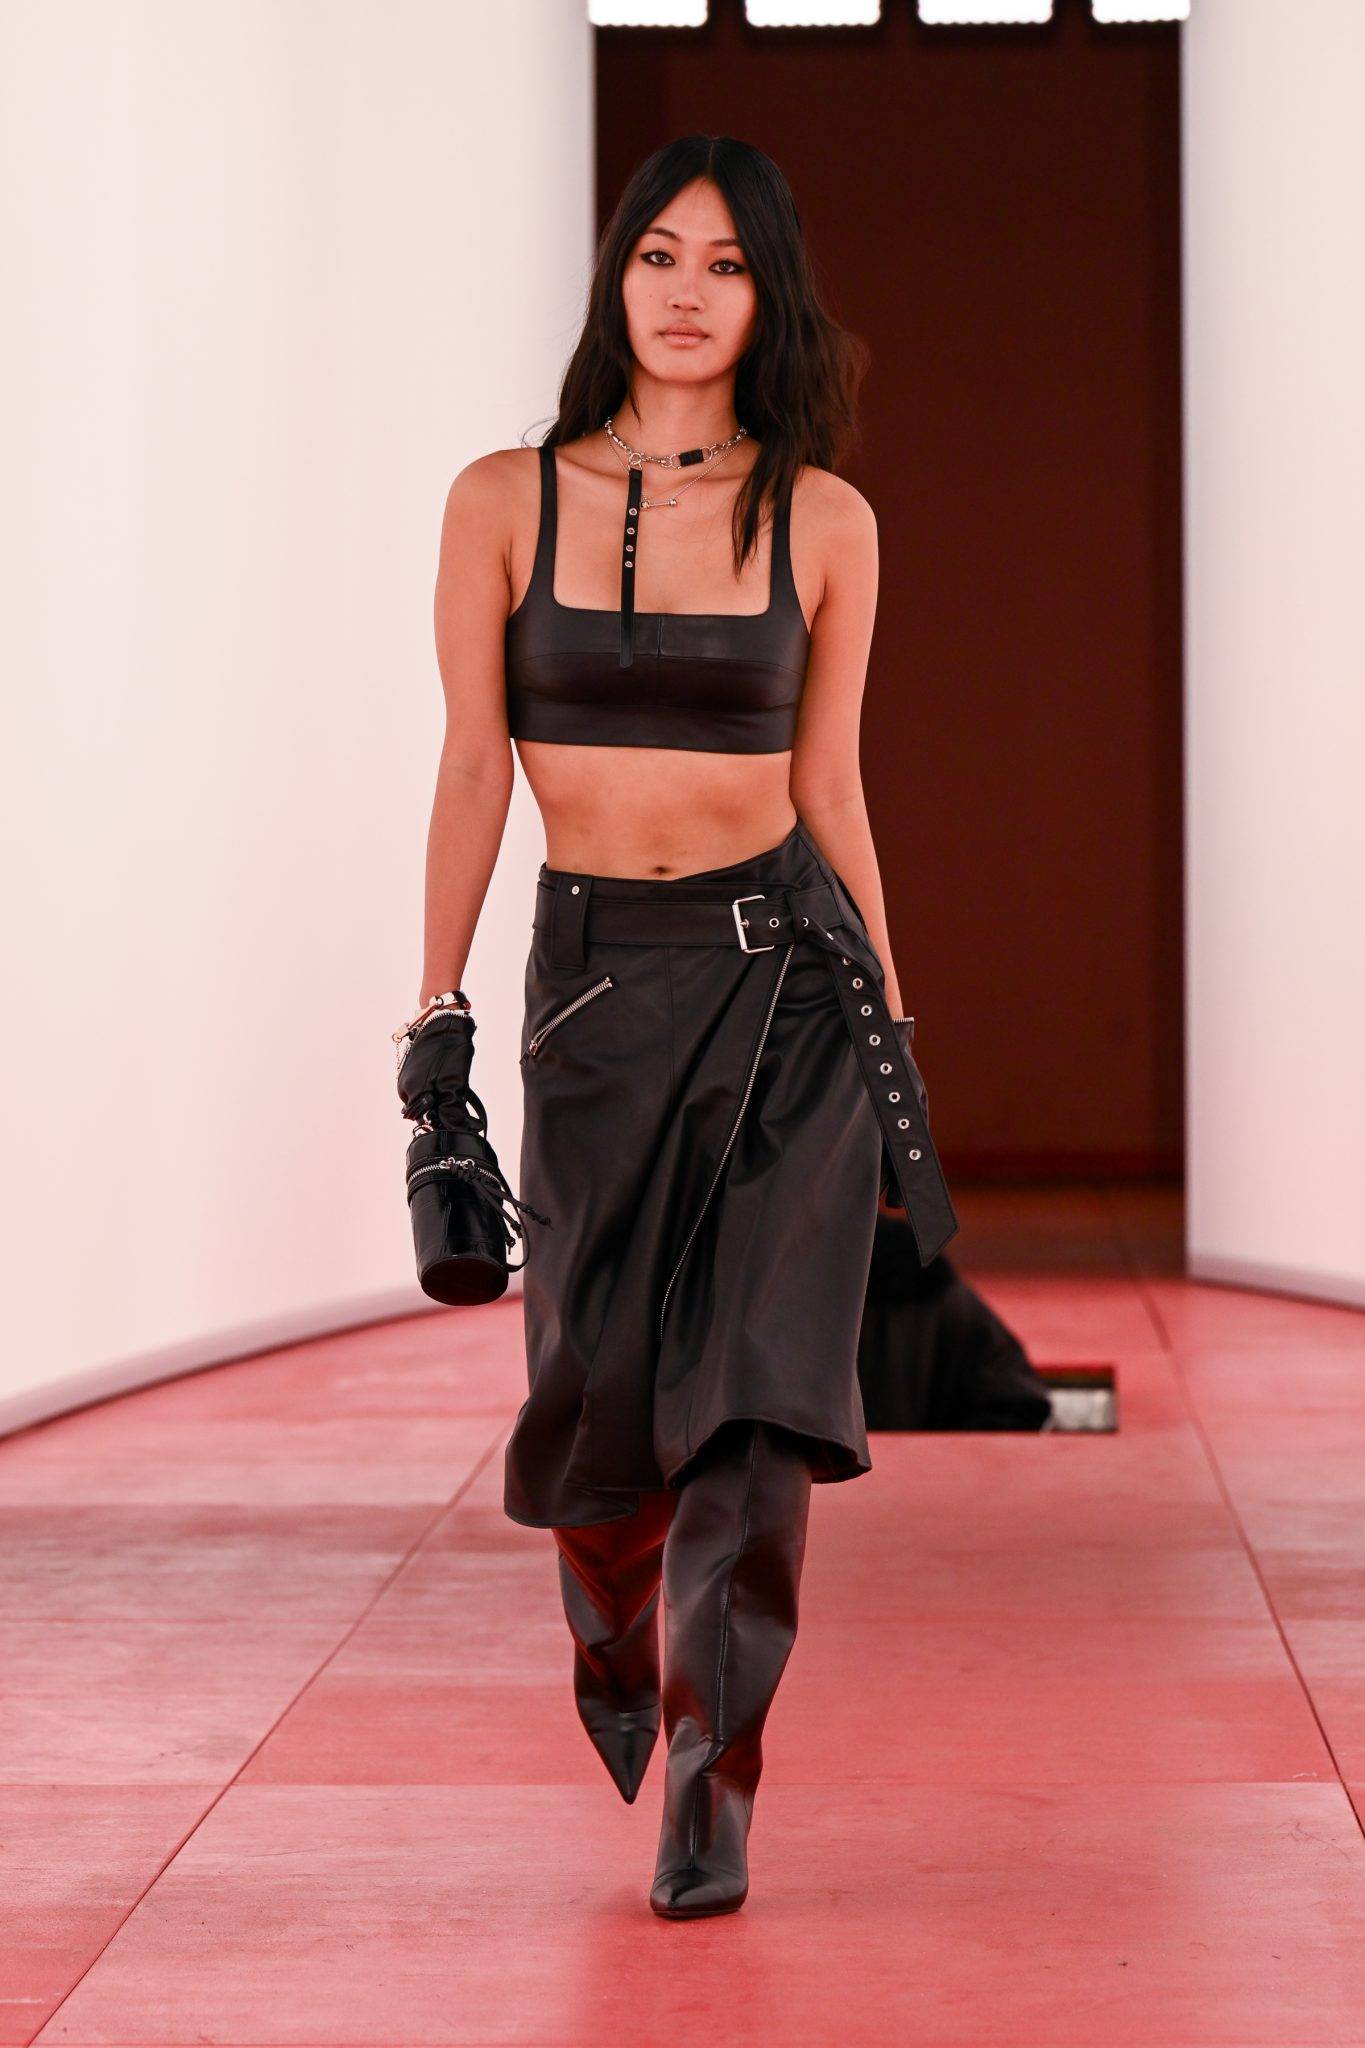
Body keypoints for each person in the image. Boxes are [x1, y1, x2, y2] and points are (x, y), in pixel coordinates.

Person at [413, 134, 957, 1920]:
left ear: (765, 294)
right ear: (616, 276)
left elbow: (835, 787)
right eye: (659, 253)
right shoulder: (500, 498)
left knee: (755, 1403)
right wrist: (435, 1011)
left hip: (787, 982)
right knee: (594, 1404)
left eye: (725, 263)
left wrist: (891, 1031)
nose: (686, 291)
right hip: (590, 990)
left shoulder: (827, 519)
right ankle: (611, 1625)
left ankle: (712, 1788)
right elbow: (472, 769)